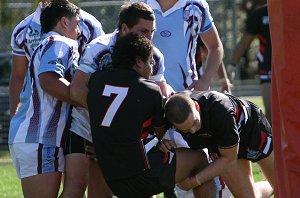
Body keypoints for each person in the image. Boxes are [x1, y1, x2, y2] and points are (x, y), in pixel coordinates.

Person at [87, 32, 216, 198]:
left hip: (111, 175)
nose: (152, 64)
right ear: (139, 62)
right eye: (150, 60)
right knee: (200, 160)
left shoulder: (96, 80)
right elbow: (160, 133)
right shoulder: (149, 89)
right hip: (142, 171)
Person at [67, 2, 168, 197]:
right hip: (86, 127)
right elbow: (77, 91)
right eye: (143, 31)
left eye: (152, 32)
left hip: (124, 136)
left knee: (135, 190)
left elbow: (157, 98)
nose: (148, 38)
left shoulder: (154, 56)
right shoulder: (100, 48)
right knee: (77, 189)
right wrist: (109, 128)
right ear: (124, 28)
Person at [8, 0, 81, 197]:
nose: (80, 30)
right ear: (64, 22)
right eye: (77, 23)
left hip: (35, 137)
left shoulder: (48, 42)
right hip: (40, 136)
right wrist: (84, 99)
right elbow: (49, 79)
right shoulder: (60, 42)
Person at [164, 91, 275, 197]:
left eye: (194, 123)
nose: (193, 131)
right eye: (186, 130)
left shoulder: (219, 109)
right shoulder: (171, 111)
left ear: (197, 107)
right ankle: (271, 186)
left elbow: (229, 158)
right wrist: (161, 141)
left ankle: (274, 186)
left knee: (283, 189)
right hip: (222, 145)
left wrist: (194, 181)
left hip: (252, 131)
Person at [9, 0, 104, 117]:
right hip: (41, 118)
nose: (78, 31)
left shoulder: (90, 25)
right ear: (63, 23)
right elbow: (19, 76)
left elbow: (102, 66)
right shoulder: (23, 31)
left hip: (81, 117)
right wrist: (15, 114)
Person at [227, 2, 271, 123]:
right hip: (268, 68)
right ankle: (271, 140)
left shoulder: (292, 10)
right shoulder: (260, 14)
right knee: (271, 108)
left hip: (291, 68)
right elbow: (244, 41)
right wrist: (231, 66)